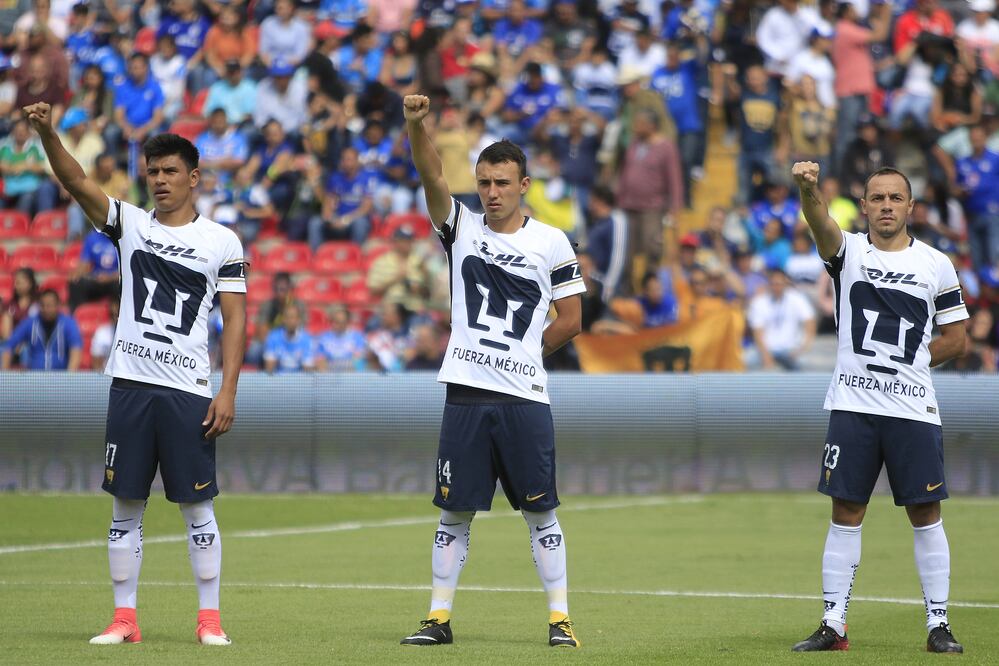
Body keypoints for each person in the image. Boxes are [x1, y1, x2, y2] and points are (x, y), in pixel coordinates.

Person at [22, 102, 246, 646]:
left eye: (171, 171)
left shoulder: (222, 241)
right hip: (130, 387)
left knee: (198, 508)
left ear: (194, 178)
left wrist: (228, 390)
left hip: (189, 391)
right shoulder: (130, 224)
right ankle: (124, 619)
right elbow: (76, 180)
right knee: (125, 507)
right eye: (153, 172)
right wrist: (48, 132)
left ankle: (209, 620)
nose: (160, 180)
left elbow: (237, 319)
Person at [400, 94, 584, 648]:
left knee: (541, 513)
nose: (492, 192)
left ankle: (559, 621)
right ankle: (438, 618)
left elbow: (572, 319)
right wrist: (416, 125)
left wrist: (526, 354)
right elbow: (431, 173)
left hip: (524, 399)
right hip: (465, 395)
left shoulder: (551, 242)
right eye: (483, 183)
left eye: (502, 183)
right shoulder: (461, 227)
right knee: (453, 512)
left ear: (523, 184)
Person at [790, 161, 969, 653]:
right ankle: (834, 624)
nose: (886, 206)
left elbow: (957, 338)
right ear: (864, 206)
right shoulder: (847, 251)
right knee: (846, 510)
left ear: (910, 206)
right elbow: (819, 221)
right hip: (853, 406)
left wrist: (909, 363)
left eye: (895, 198)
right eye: (877, 198)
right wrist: (808, 189)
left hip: (913, 409)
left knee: (925, 512)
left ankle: (938, 625)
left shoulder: (936, 263)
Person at [0, 288, 81, 370]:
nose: (46, 309)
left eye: (49, 306)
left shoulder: (68, 323)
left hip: (60, 375)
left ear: (57, 305)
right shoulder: (30, 323)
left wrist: (69, 376)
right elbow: (9, 345)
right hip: (35, 375)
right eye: (42, 305)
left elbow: (76, 349)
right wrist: (5, 373)